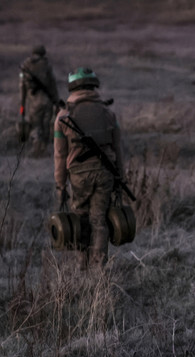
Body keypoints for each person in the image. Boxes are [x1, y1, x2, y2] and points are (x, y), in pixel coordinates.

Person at [54, 67, 123, 270]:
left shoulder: (63, 116)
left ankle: (81, 266)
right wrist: (121, 178)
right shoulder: (109, 113)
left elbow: (59, 155)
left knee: (80, 219)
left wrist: (60, 186)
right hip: (106, 173)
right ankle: (98, 269)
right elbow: (118, 148)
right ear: (94, 86)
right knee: (99, 220)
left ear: (72, 86)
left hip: (78, 176)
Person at [19, 45, 62, 158]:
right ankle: (43, 148)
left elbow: (22, 86)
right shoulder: (47, 65)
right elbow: (53, 85)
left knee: (35, 126)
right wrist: (57, 103)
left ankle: (36, 147)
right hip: (47, 101)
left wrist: (22, 105)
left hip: (33, 102)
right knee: (46, 125)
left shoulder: (25, 66)